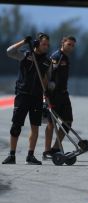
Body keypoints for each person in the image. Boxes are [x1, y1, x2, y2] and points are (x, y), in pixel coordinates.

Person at [2, 33, 50, 165]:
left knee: (35, 126)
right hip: (22, 94)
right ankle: (12, 155)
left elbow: (45, 79)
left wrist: (47, 95)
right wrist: (23, 42)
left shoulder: (47, 61)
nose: (46, 47)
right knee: (16, 126)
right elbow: (9, 51)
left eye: (47, 45)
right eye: (43, 44)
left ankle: (30, 156)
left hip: (37, 97)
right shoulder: (25, 54)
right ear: (36, 43)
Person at [42, 36, 76, 160]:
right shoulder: (56, 56)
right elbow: (47, 73)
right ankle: (46, 151)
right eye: (69, 44)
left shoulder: (66, 58)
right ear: (63, 43)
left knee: (68, 122)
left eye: (73, 45)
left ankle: (55, 148)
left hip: (64, 94)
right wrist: (46, 91)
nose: (71, 47)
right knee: (52, 123)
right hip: (54, 94)